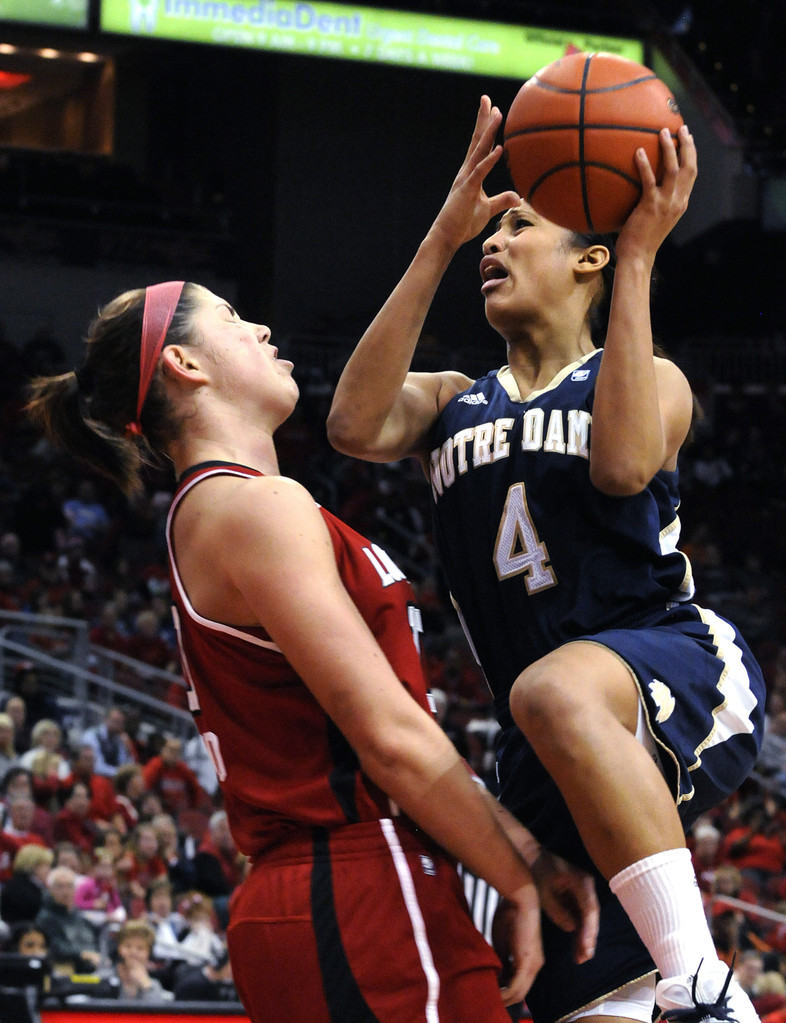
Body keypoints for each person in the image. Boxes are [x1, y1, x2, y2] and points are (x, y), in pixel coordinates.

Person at [25, 277, 599, 1022]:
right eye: (233, 318)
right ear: (185, 364)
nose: (262, 328)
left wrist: (516, 848)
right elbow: (388, 736)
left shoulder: (221, 507)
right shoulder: (256, 505)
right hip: (360, 883)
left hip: (321, 890)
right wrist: (516, 874)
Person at [326, 95, 767, 1023]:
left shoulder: (650, 379)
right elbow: (352, 425)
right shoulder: (453, 399)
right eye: (491, 233)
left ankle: (705, 981)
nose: (495, 242)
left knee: (556, 690)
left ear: (588, 260)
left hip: (671, 666)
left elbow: (622, 466)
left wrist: (640, 257)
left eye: (520, 226)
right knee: (591, 998)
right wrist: (442, 237)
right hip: (544, 741)